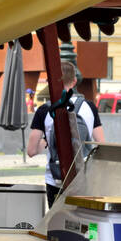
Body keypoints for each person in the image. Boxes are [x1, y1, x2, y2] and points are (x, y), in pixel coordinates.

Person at [27, 63, 106, 204]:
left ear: (50, 81)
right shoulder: (90, 107)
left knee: (57, 223)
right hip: (84, 178)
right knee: (85, 223)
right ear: (75, 81)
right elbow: (101, 147)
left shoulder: (44, 110)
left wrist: (48, 138)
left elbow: (31, 151)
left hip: (56, 179)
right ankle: (88, 228)